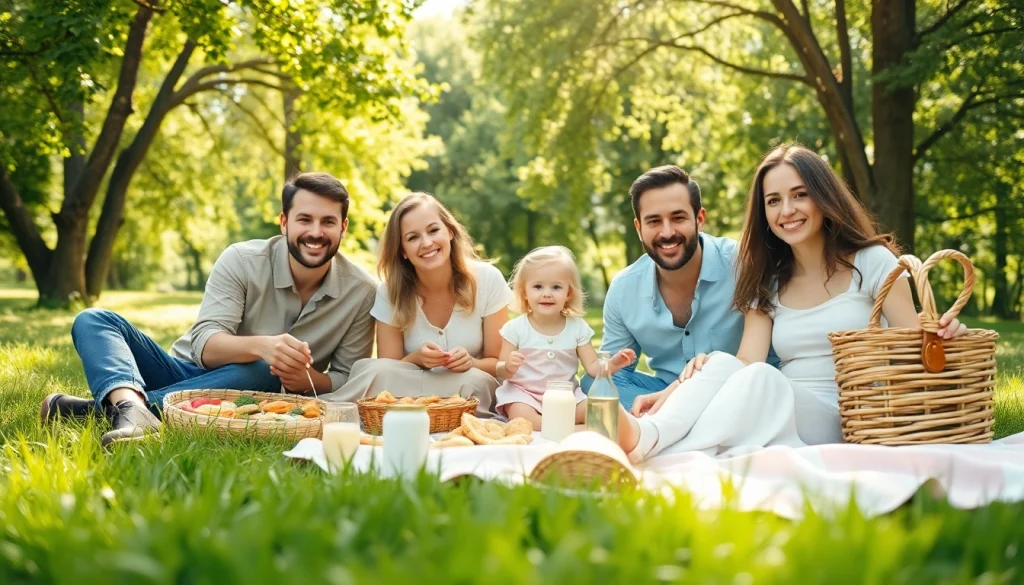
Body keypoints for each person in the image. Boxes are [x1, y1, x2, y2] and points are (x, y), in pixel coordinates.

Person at [616, 143, 968, 461]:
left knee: (762, 380)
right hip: (784, 409)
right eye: (773, 201)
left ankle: (664, 451)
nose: (787, 210)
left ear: (823, 197)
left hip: (852, 412)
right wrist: (677, 388)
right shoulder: (767, 278)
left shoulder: (873, 262)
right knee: (728, 363)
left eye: (800, 195)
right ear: (764, 213)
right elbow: (744, 360)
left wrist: (946, 333)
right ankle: (653, 437)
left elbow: (913, 344)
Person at [40, 172, 377, 446]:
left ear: (343, 227)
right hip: (182, 371)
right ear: (284, 222)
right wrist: (263, 345)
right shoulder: (243, 260)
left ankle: (123, 410)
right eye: (305, 219)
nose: (315, 233)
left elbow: (348, 377)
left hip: (255, 390)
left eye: (328, 222)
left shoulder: (361, 292)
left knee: (263, 374)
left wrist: (308, 380)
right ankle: (134, 408)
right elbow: (203, 345)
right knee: (94, 319)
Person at [330, 193, 510, 416]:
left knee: (475, 382)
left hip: (466, 388)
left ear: (450, 232)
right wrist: (417, 359)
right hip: (406, 390)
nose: (426, 243)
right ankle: (325, 412)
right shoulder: (390, 291)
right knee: (373, 370)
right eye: (413, 238)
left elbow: (500, 365)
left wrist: (471, 362)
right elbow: (390, 368)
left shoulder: (488, 280)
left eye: (434, 230)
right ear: (402, 250)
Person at [585, 166, 748, 410]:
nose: (667, 232)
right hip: (663, 392)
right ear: (639, 229)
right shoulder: (623, 289)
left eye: (678, 218)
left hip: (736, 392)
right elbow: (614, 373)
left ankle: (674, 417)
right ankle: (682, 415)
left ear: (699, 219)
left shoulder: (742, 265)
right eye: (654, 221)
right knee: (594, 380)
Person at [495, 246, 635, 429]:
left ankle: (561, 424)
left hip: (565, 396)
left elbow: (592, 367)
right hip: (525, 395)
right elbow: (499, 370)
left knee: (594, 410)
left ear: (568, 293)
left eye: (556, 287)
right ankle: (564, 427)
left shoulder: (577, 328)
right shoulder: (515, 328)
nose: (547, 293)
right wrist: (507, 366)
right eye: (538, 286)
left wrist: (614, 363)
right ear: (524, 293)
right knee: (521, 417)